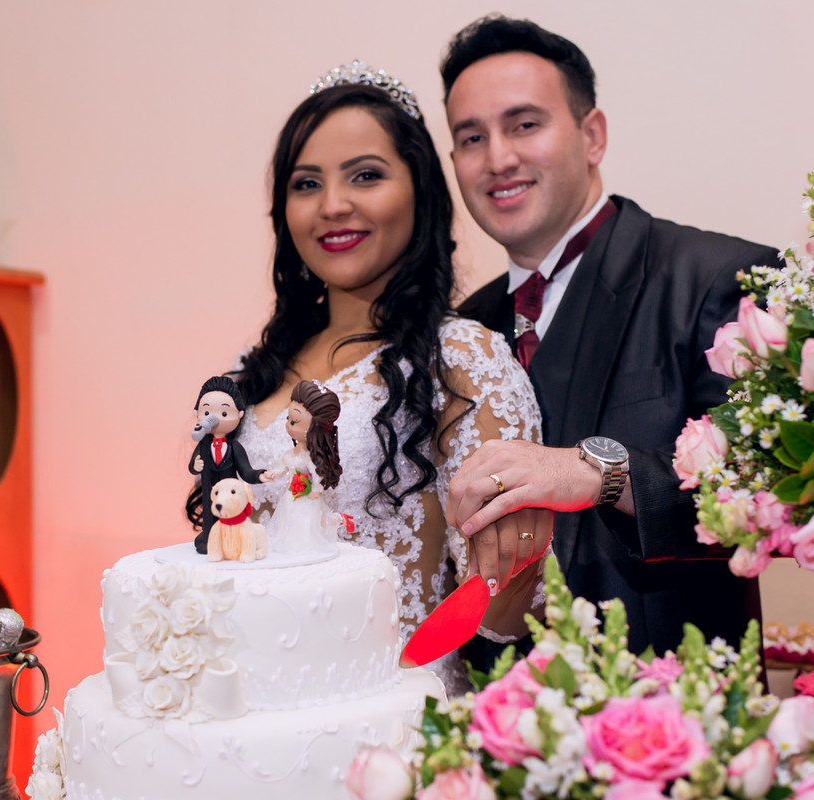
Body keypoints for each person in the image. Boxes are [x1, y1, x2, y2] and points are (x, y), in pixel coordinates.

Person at [438, 16, 782, 665]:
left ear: (591, 135)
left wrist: (597, 472)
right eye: (472, 138)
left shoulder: (717, 279)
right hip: (496, 722)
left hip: (679, 725)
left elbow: (767, 498)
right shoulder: (465, 328)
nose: (499, 158)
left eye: (524, 124)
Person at [207, 62, 550, 693]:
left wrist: (514, 577)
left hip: (388, 720)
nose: (333, 205)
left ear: (419, 190)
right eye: (306, 183)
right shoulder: (248, 375)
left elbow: (507, 610)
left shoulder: (462, 357)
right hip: (243, 716)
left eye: (365, 175)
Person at [187, 375, 274, 554]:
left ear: (239, 414)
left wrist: (259, 475)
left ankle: (231, 540)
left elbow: (245, 471)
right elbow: (191, 466)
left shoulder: (234, 447)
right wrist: (195, 465)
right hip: (210, 493)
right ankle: (210, 538)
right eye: (207, 412)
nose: (216, 418)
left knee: (231, 519)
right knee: (210, 519)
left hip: (231, 496)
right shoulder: (203, 445)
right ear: (197, 413)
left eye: (224, 413)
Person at [266, 379, 343, 555]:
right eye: (288, 419)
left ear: (313, 427)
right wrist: (274, 474)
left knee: (305, 520)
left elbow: (317, 474)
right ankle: (288, 542)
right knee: (288, 517)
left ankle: (303, 544)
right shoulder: (291, 453)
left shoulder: (310, 457)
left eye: (294, 421)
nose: (288, 425)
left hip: (307, 496)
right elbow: (283, 466)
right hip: (292, 493)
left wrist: (316, 488)